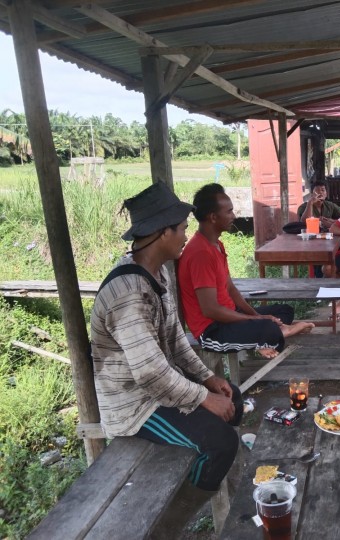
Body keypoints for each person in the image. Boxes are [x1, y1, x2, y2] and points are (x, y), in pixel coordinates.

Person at [90, 182, 242, 537]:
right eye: (182, 229)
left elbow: (175, 342)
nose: (186, 236)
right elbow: (150, 374)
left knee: (234, 398)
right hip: (134, 409)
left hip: (158, 393)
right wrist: (204, 398)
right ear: (163, 233)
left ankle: (210, 475)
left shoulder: (155, 274)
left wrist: (208, 380)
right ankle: (163, 526)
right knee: (220, 443)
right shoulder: (128, 292)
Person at [178, 183, 313, 360]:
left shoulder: (216, 245)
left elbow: (231, 289)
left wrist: (257, 315)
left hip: (228, 317)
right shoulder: (200, 253)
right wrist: (259, 321)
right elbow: (210, 310)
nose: (234, 216)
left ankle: (271, 334)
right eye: (229, 212)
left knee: (285, 310)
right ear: (213, 217)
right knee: (268, 327)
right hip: (212, 331)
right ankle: (273, 334)